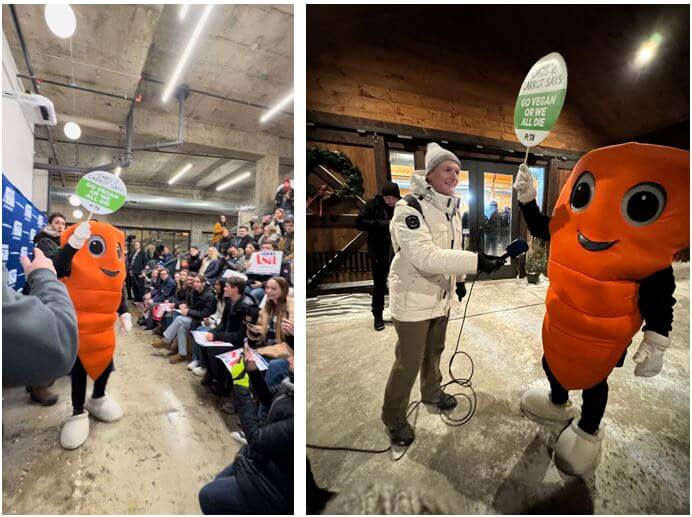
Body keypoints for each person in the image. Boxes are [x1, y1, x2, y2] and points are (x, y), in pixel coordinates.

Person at [513, 143, 689, 475]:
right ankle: (557, 398)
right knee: (552, 362)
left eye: (642, 205)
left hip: (603, 339)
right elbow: (541, 227)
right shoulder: (568, 230)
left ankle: (588, 428)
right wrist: (528, 201)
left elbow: (660, 297)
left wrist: (656, 339)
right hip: (560, 326)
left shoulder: (649, 259)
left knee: (595, 382)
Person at [381, 142, 505, 446]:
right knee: (408, 361)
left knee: (435, 351)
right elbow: (424, 256)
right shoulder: (408, 207)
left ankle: (432, 392)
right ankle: (393, 417)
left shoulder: (452, 208)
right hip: (413, 301)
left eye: (457, 171)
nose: (454, 175)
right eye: (448, 169)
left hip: (441, 297)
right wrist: (477, 262)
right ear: (431, 173)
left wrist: (459, 279)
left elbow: (452, 249)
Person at [53, 221, 132, 450]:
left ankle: (98, 398)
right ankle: (78, 412)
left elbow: (116, 290)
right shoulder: (73, 260)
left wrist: (124, 312)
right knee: (79, 371)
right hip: (79, 329)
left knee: (106, 365)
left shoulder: (115, 268)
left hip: (105, 330)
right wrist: (73, 245)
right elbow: (56, 267)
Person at [198, 350, 293, 515]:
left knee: (208, 496)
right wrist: (253, 371)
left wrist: (240, 387)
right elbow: (266, 397)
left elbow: (256, 439)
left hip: (275, 484)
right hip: (263, 460)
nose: (290, 358)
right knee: (218, 483)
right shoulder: (291, 386)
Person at [2, 250, 78, 387]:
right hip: (50, 303)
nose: (60, 226)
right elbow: (59, 340)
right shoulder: (47, 244)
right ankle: (39, 388)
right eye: (58, 225)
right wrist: (44, 275)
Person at [26, 211, 68, 405]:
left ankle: (41, 377)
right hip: (42, 292)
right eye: (57, 223)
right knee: (43, 338)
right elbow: (57, 263)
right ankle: (37, 386)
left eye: (63, 224)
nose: (61, 226)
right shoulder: (45, 241)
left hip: (51, 290)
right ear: (50, 225)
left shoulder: (59, 242)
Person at [193, 275, 258, 380]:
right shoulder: (230, 302)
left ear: (235, 289)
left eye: (226, 286)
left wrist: (216, 336)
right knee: (205, 341)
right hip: (229, 336)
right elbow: (223, 323)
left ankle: (219, 383)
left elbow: (240, 336)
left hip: (240, 343)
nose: (224, 289)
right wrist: (213, 332)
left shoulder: (248, 307)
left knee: (211, 349)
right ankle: (210, 375)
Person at [356, 181, 401, 331]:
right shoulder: (373, 205)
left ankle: (399, 314)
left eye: (393, 198)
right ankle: (378, 316)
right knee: (380, 285)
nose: (390, 201)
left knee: (400, 284)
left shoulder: (402, 206)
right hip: (379, 251)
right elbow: (359, 222)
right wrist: (383, 224)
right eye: (387, 197)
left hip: (398, 252)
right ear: (383, 196)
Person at [152, 273, 216, 364]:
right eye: (194, 282)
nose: (194, 283)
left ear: (203, 283)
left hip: (202, 321)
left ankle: (166, 340)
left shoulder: (210, 296)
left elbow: (205, 313)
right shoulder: (194, 291)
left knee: (179, 319)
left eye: (197, 282)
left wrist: (188, 311)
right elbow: (189, 304)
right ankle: (182, 354)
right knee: (181, 328)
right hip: (193, 317)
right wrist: (183, 307)